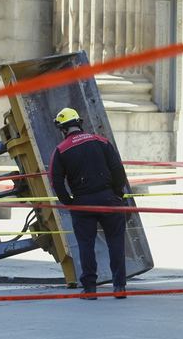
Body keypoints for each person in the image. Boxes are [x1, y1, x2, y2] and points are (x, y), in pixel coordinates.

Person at [49, 107, 128, 300]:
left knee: (86, 245)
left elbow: (55, 181)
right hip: (109, 199)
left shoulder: (61, 150)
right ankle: (119, 287)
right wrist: (117, 194)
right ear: (79, 123)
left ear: (63, 129)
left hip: (82, 203)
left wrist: (68, 202)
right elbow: (118, 170)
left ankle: (90, 289)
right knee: (116, 243)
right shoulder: (101, 141)